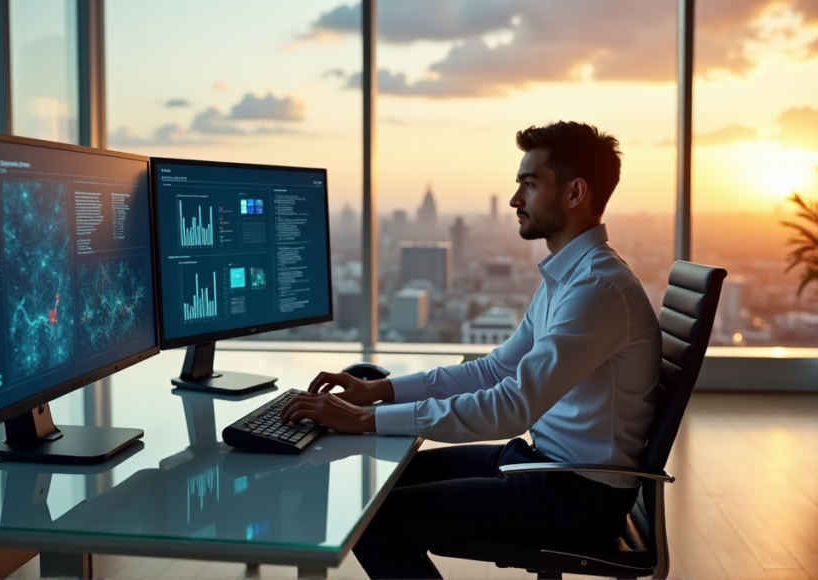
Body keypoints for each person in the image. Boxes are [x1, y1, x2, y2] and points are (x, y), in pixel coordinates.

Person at [280, 121, 662, 580]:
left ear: (575, 193)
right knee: (386, 478)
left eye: (530, 184)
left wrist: (364, 420)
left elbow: (510, 408)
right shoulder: (571, 276)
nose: (515, 199)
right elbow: (495, 370)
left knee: (375, 522)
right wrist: (378, 392)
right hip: (542, 465)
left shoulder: (597, 288)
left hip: (577, 497)